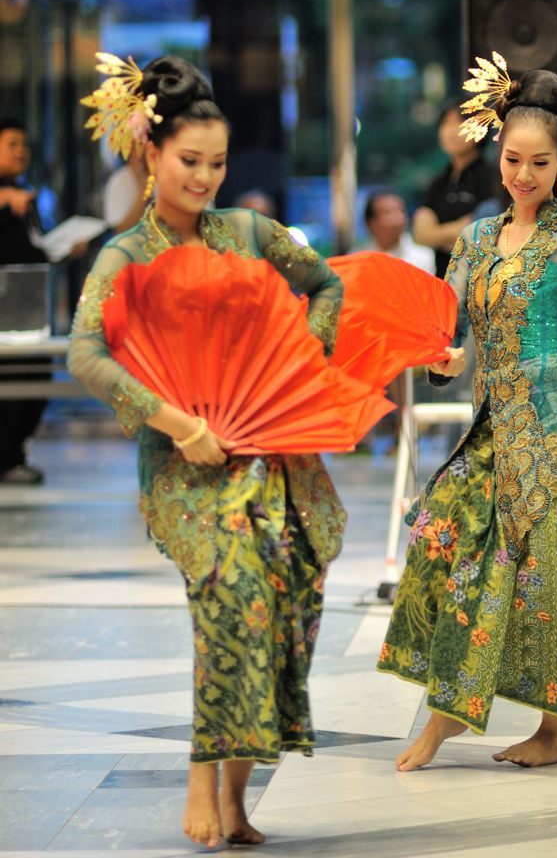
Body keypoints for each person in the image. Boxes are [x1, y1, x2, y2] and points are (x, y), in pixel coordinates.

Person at [69, 56, 348, 850]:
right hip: (183, 461)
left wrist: (305, 357)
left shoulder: (254, 235)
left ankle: (235, 796)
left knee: (288, 598)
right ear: (148, 154)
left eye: (217, 163)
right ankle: (201, 770)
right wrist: (175, 423)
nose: (204, 177)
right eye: (189, 161)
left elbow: (326, 288)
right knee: (231, 590)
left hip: (271, 452)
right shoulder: (124, 256)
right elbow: (87, 356)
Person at [378, 62, 557, 771]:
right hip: (493, 426)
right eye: (511, 160)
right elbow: (455, 338)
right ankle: (447, 713)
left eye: (539, 163)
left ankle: (553, 733)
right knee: (449, 545)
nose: (523, 175)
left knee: (551, 582)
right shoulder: (473, 238)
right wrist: (442, 359)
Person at [0, 116, 49, 485]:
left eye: (24, 145)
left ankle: (14, 452)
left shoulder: (25, 195)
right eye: (12, 144)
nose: (21, 152)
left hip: (27, 305)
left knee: (37, 378)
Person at [413, 102, 499, 277]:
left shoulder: (493, 177)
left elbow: (482, 234)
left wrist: (436, 235)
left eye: (461, 122)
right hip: (443, 280)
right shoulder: (439, 181)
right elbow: (420, 234)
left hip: (481, 283)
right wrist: (456, 232)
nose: (452, 130)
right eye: (446, 122)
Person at [364, 190, 434, 273]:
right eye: (388, 212)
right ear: (371, 223)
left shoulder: (423, 256)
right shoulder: (357, 256)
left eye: (402, 211)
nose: (398, 217)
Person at [103, 142, 150, 234]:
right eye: (135, 148)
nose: (139, 154)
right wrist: (144, 188)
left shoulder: (164, 176)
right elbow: (120, 231)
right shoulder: (118, 181)